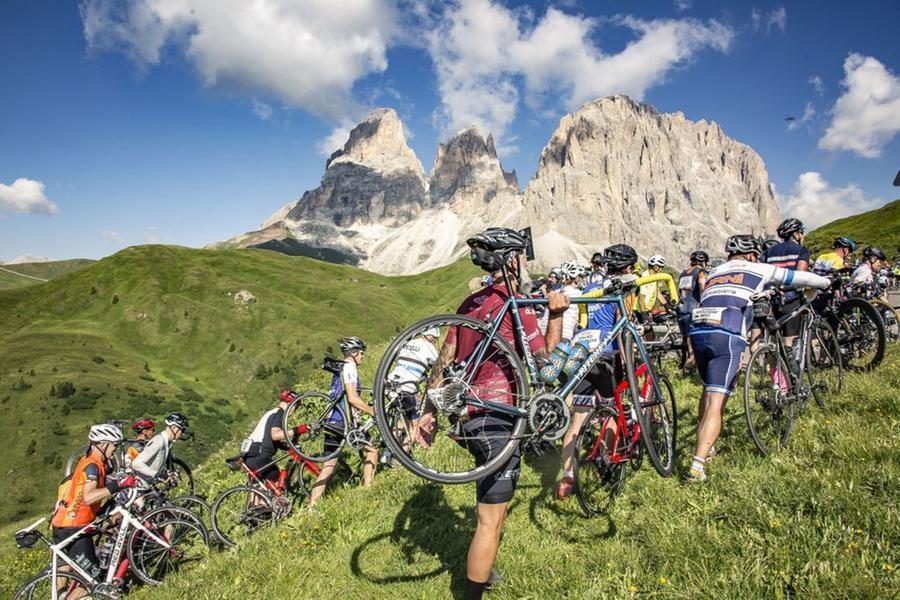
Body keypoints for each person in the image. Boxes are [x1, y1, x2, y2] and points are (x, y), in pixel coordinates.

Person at [420, 227, 569, 600]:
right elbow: (543, 361)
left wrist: (428, 411)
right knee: (491, 519)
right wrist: (556, 316)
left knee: (487, 506)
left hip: (467, 417)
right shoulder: (514, 304)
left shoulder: (470, 303)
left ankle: (483, 569)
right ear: (514, 260)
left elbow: (445, 359)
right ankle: (471, 593)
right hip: (500, 416)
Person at [687, 235, 830, 482]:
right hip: (727, 334)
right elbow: (801, 278)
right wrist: (826, 282)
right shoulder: (758, 268)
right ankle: (697, 465)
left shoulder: (712, 273)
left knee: (707, 391)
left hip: (699, 330)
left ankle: (707, 446)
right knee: (716, 400)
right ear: (753, 254)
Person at [557, 244, 637, 499]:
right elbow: (623, 325)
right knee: (612, 411)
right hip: (607, 352)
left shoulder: (590, 287)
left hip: (582, 351)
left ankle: (567, 477)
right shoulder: (625, 287)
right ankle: (604, 463)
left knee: (578, 417)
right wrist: (629, 364)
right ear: (628, 268)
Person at [52, 424, 137, 589]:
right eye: (115, 445)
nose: (115, 450)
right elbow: (89, 497)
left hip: (60, 524)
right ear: (104, 444)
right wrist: (119, 485)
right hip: (75, 528)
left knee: (64, 575)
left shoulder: (87, 461)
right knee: (91, 583)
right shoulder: (93, 466)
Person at [309, 336, 377, 507]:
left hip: (332, 420)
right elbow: (352, 398)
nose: (363, 356)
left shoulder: (339, 368)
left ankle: (312, 506)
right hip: (344, 422)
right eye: (361, 353)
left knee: (329, 465)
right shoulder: (350, 368)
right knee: (372, 450)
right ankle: (367, 490)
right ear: (354, 354)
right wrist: (372, 411)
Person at [382, 326, 440, 465]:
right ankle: (400, 459)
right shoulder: (429, 347)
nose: (435, 342)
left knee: (400, 421)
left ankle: (387, 451)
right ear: (431, 336)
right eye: (435, 339)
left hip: (391, 384)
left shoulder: (408, 343)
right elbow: (440, 366)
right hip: (407, 387)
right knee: (415, 426)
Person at [761, 218, 811, 349]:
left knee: (773, 341)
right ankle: (791, 368)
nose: (802, 236)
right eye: (801, 232)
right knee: (790, 339)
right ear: (795, 234)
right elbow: (801, 276)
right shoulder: (801, 250)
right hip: (791, 298)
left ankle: (774, 369)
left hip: (771, 298)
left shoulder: (769, 252)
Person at [242, 390, 303, 484]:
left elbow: (271, 439)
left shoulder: (272, 412)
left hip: (249, 454)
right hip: (259, 454)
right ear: (291, 405)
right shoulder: (280, 413)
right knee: (278, 481)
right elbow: (275, 435)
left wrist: (287, 446)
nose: (295, 410)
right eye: (296, 407)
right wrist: (297, 430)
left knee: (260, 489)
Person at [130, 413, 189, 484]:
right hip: (139, 486)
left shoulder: (167, 441)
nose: (182, 433)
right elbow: (136, 464)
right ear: (174, 428)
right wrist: (158, 475)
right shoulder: (159, 441)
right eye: (182, 430)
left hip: (148, 485)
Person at [676, 250, 709, 372]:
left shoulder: (683, 273)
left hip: (681, 309)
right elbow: (701, 283)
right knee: (694, 342)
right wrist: (704, 299)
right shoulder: (700, 272)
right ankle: (688, 368)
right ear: (704, 262)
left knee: (686, 340)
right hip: (693, 309)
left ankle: (685, 367)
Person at [638, 255, 671, 323]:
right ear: (656, 267)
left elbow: (657, 293)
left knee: (650, 333)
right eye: (661, 268)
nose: (661, 270)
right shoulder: (646, 277)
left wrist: (668, 308)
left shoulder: (653, 278)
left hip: (646, 310)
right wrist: (644, 317)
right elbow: (641, 299)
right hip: (640, 311)